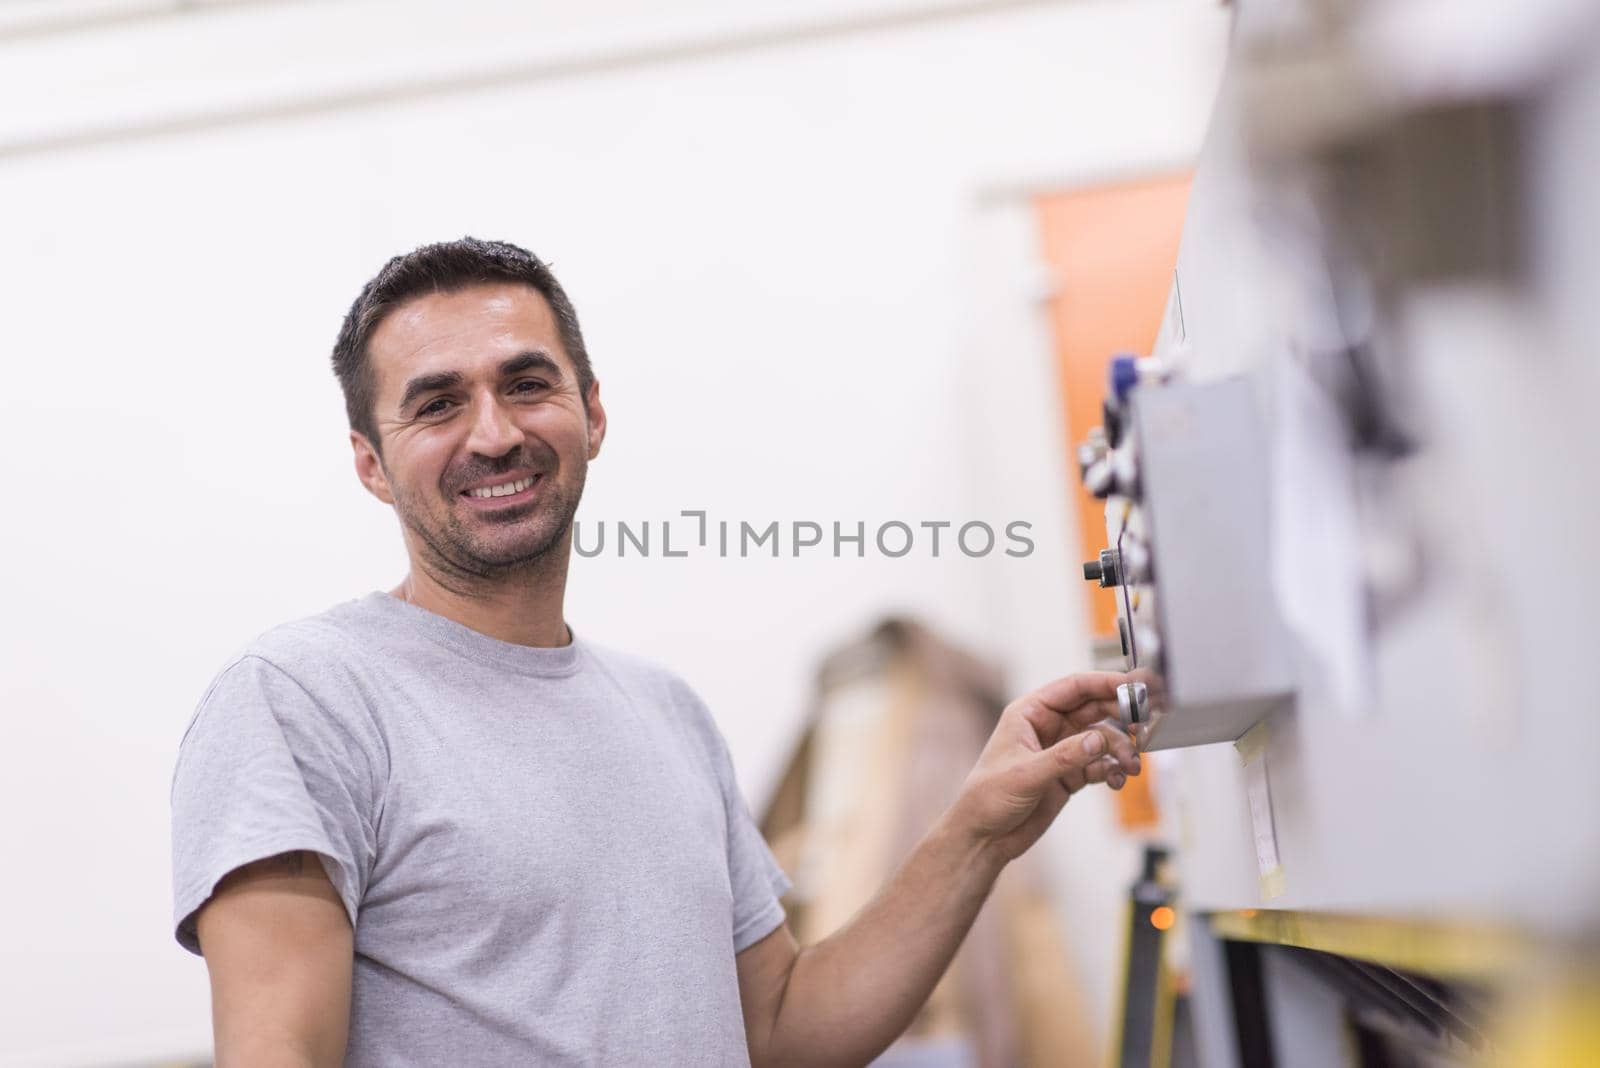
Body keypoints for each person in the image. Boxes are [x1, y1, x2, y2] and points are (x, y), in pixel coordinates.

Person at [170, 237, 1142, 1067]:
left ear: (592, 413)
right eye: (436, 405)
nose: (495, 432)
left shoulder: (662, 709)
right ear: (370, 465)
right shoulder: (303, 699)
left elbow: (780, 1032)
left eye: (527, 383)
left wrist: (975, 830)